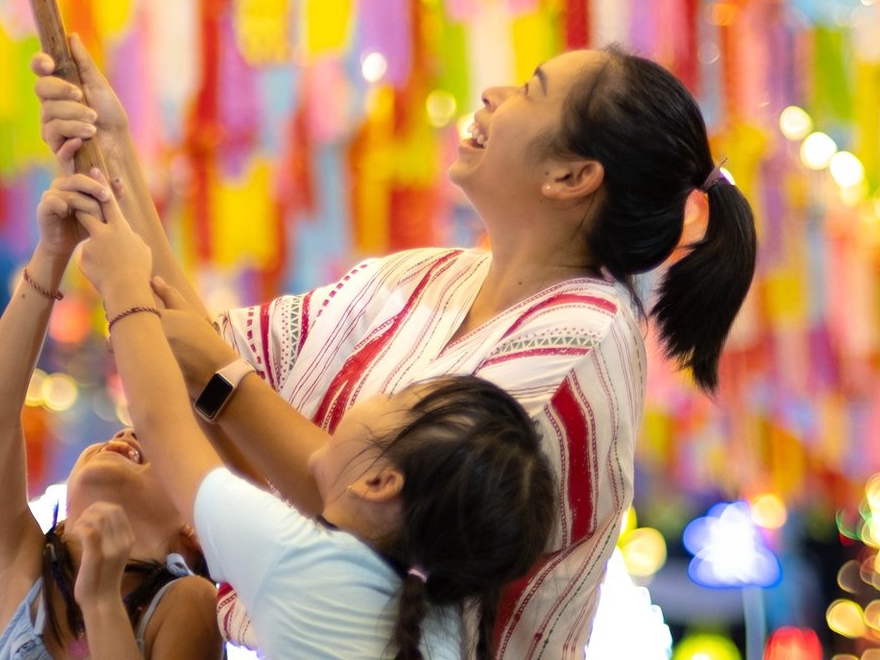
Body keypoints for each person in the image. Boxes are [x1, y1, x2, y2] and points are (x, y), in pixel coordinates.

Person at [33, 40, 758, 657]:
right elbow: (195, 357)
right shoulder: (428, 274)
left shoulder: (581, 342)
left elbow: (375, 511)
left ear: (571, 178)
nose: (494, 93)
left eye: (531, 91)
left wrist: (214, 376)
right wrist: (110, 147)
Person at [66, 167, 556, 660]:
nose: (365, 399)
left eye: (390, 400)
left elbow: (159, 421)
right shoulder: (433, 621)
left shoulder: (305, 563)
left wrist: (123, 287)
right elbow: (224, 461)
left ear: (380, 483)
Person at [0, 166, 223, 660]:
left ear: (192, 530)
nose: (130, 436)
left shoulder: (188, 604)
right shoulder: (18, 567)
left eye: (156, 447)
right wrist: (51, 253)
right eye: (131, 429)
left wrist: (104, 601)